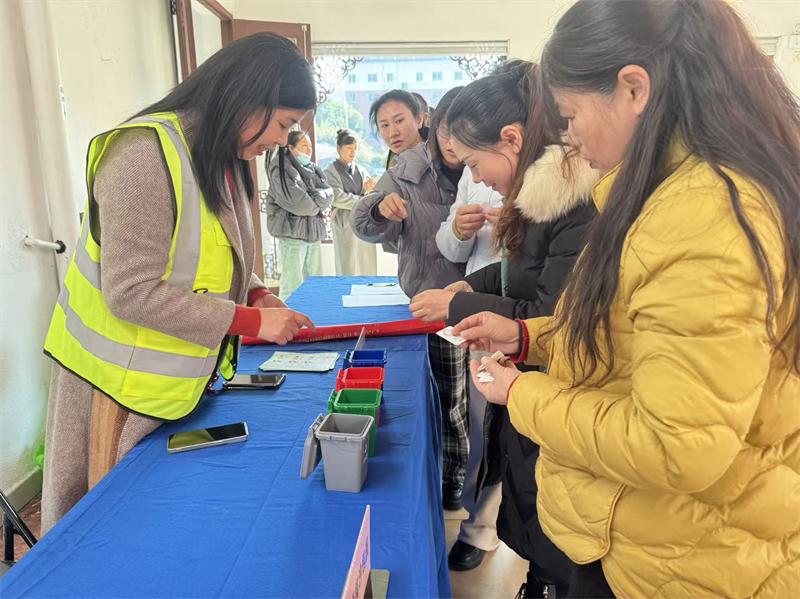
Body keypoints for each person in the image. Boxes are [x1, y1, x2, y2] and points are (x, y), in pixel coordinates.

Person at [454, 0, 800, 597]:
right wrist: (529, 336)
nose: (568, 138)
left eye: (570, 115)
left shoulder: (702, 216)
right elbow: (633, 333)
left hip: (680, 557)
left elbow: (674, 445)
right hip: (659, 534)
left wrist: (522, 392)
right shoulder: (666, 192)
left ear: (634, 89)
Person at [41, 33, 318, 534]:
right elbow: (131, 292)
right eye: (283, 124)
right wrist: (250, 321)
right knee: (111, 533)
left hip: (173, 390)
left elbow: (216, 255)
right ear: (246, 95)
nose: (282, 140)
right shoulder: (142, 155)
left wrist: (256, 291)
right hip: (114, 390)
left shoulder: (224, 155)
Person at [411, 62, 599, 586]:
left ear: (512, 139)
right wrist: (470, 286)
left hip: (557, 394)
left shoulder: (576, 204)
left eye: (474, 162)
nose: (474, 178)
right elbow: (521, 271)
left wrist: (460, 308)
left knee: (553, 523)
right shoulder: (541, 196)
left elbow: (550, 319)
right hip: (535, 390)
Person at [352, 87, 471, 510]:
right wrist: (379, 209)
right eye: (383, 125)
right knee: (445, 395)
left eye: (399, 120)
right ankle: (449, 480)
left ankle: (463, 480)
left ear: (423, 119)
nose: (392, 131)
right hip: (429, 302)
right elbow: (363, 221)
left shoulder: (471, 163)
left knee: (469, 399)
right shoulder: (401, 172)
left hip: (476, 298)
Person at [266, 131, 333, 300]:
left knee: (316, 282)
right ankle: (287, 316)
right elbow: (299, 203)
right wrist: (316, 202)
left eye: (310, 146)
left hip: (314, 232)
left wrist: (312, 198)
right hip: (292, 233)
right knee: (292, 285)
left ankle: (314, 314)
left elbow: (329, 193)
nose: (309, 150)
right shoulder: (280, 170)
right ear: (291, 148)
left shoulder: (314, 168)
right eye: (304, 145)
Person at [323, 129, 378, 276]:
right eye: (349, 148)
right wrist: (363, 200)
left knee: (366, 266)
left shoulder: (361, 170)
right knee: (347, 266)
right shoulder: (330, 171)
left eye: (355, 148)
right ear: (339, 149)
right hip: (344, 223)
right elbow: (337, 197)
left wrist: (369, 191)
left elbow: (371, 195)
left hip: (364, 222)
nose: (353, 152)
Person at [369, 89, 428, 171]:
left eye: (399, 121)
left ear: (419, 120)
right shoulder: (393, 164)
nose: (393, 133)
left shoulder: (442, 158)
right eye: (385, 125)